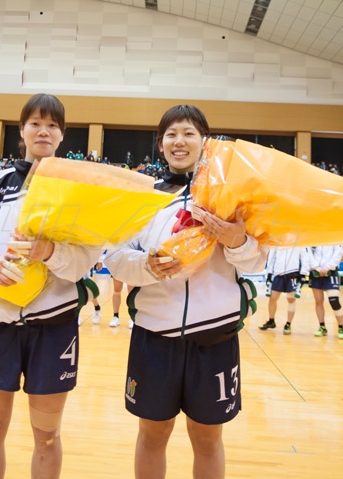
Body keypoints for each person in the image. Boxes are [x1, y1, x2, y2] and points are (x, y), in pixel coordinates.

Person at [104, 105, 266, 479]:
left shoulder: (231, 198)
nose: (180, 141)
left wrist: (237, 240)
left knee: (208, 439)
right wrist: (147, 266)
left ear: (205, 142)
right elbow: (114, 257)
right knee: (152, 434)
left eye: (189, 133)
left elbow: (257, 261)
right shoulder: (141, 198)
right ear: (160, 144)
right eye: (172, 134)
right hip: (154, 337)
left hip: (215, 338)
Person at [0, 93, 101, 479]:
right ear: (22, 130)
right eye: (35, 123)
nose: (43, 131)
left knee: (47, 437)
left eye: (52, 125)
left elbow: (86, 259)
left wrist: (50, 252)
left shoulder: (79, 190)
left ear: (62, 134)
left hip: (54, 328)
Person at [258, 247, 311, 335]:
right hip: (278, 274)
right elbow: (271, 258)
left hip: (293, 274)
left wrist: (303, 274)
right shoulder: (277, 242)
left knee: (291, 299)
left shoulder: (299, 243)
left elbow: (305, 258)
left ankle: (288, 324)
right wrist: (269, 273)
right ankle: (271, 321)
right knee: (272, 298)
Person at [309, 245, 343, 339]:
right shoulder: (314, 238)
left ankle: (341, 328)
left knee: (334, 300)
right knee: (318, 301)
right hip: (316, 272)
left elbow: (338, 253)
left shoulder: (336, 238)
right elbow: (309, 253)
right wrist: (316, 267)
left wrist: (328, 267)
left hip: (331, 272)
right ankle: (322, 327)